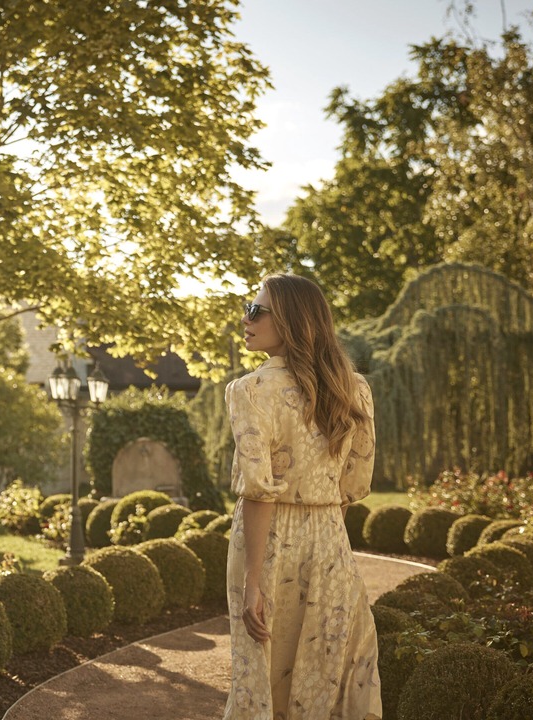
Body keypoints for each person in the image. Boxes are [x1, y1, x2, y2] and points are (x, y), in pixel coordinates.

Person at [223, 274, 381, 720]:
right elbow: (354, 484)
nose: (246, 318)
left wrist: (255, 580)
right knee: (332, 669)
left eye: (256, 310)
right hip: (331, 541)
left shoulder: (250, 391)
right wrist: (324, 532)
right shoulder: (355, 389)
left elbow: (258, 492)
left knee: (261, 674)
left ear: (291, 320)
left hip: (267, 546)